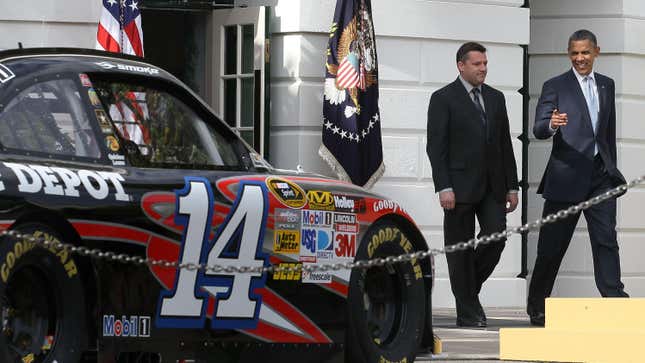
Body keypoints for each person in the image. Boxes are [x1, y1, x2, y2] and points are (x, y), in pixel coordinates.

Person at [527, 29, 629, 327]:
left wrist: (610, 167)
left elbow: (606, 133)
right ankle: (537, 306)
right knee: (551, 247)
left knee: (606, 240)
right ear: (569, 54)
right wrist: (552, 124)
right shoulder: (555, 85)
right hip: (566, 178)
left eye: (585, 52)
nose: (580, 58)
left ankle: (615, 302)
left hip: (600, 177)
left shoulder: (607, 85)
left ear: (596, 51)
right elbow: (539, 128)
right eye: (574, 53)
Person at [427, 42, 519, 327]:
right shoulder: (443, 98)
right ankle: (468, 311)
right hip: (458, 188)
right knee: (459, 250)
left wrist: (512, 186)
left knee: (496, 237)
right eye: (477, 64)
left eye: (485, 64)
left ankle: (467, 292)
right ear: (461, 66)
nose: (483, 69)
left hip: (493, 185)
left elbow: (505, 143)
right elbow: (436, 147)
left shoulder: (496, 97)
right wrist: (444, 186)